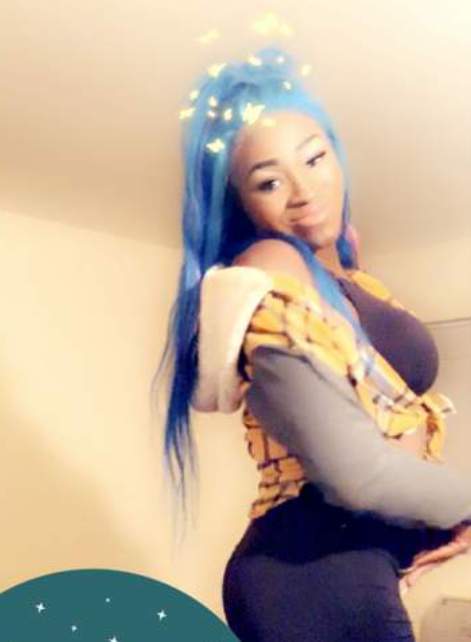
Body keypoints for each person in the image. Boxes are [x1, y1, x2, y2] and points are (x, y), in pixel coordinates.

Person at [153, 45, 471, 641]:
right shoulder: (267, 269)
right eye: (269, 181)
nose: (303, 191)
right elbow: (357, 474)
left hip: (350, 561)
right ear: (241, 203)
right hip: (312, 567)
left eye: (315, 158)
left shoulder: (343, 280)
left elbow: (369, 399)